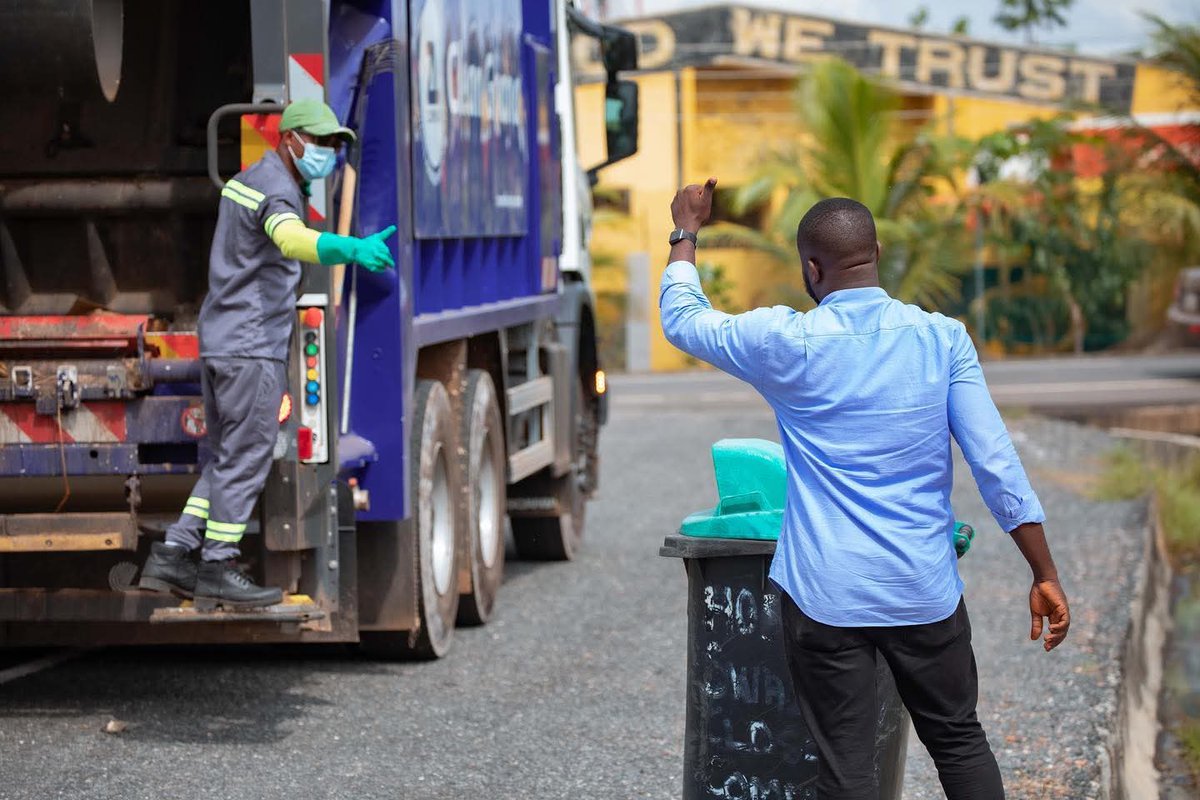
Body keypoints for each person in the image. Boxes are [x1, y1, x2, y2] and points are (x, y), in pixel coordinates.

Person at [659, 180, 1070, 800]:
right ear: (876, 252)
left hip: (825, 595)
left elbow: (684, 320)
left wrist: (686, 230)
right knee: (959, 740)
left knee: (847, 772)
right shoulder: (942, 339)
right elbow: (995, 463)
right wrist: (1043, 572)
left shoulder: (785, 343)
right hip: (922, 588)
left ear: (811, 268)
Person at [139, 99, 397, 611]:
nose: (327, 153)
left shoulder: (249, 178)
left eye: (334, 145)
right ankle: (217, 564)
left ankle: (174, 553)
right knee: (250, 457)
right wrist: (350, 249)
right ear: (291, 138)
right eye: (320, 142)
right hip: (251, 347)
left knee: (228, 458)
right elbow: (291, 239)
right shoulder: (278, 190)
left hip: (224, 341)